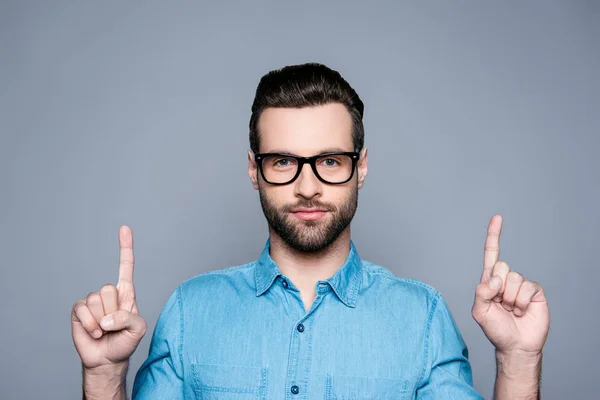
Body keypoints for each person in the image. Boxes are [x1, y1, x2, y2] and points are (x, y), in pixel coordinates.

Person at [71, 62, 550, 399]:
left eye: (329, 161)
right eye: (282, 162)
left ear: (360, 168)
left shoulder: (422, 318)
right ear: (254, 170)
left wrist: (519, 360)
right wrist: (104, 375)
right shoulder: (189, 311)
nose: (307, 186)